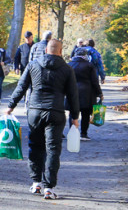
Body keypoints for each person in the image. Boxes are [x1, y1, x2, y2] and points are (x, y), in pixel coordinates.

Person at [6, 39, 80, 200]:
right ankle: (49, 188)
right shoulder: (67, 69)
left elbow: (21, 86)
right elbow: (73, 95)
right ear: (60, 51)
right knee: (53, 149)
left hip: (35, 112)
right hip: (56, 112)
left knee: (35, 146)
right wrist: (75, 117)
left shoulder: (33, 65)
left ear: (46, 50)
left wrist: (11, 106)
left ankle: (36, 183)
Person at [68, 47, 102, 141]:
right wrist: (99, 93)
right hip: (87, 93)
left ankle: (73, 133)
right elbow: (95, 81)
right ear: (85, 55)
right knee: (85, 114)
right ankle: (83, 134)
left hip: (72, 92)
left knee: (72, 113)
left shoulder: (69, 65)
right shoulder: (89, 65)